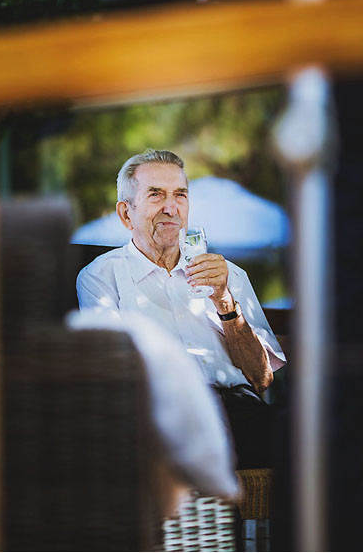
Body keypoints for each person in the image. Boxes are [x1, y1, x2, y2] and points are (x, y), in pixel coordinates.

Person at [76, 148, 286, 470]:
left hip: (240, 414)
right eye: (156, 195)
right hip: (160, 416)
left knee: (323, 445)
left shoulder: (227, 275)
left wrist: (224, 301)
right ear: (125, 214)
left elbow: (261, 378)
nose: (171, 208)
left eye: (180, 195)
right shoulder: (100, 276)